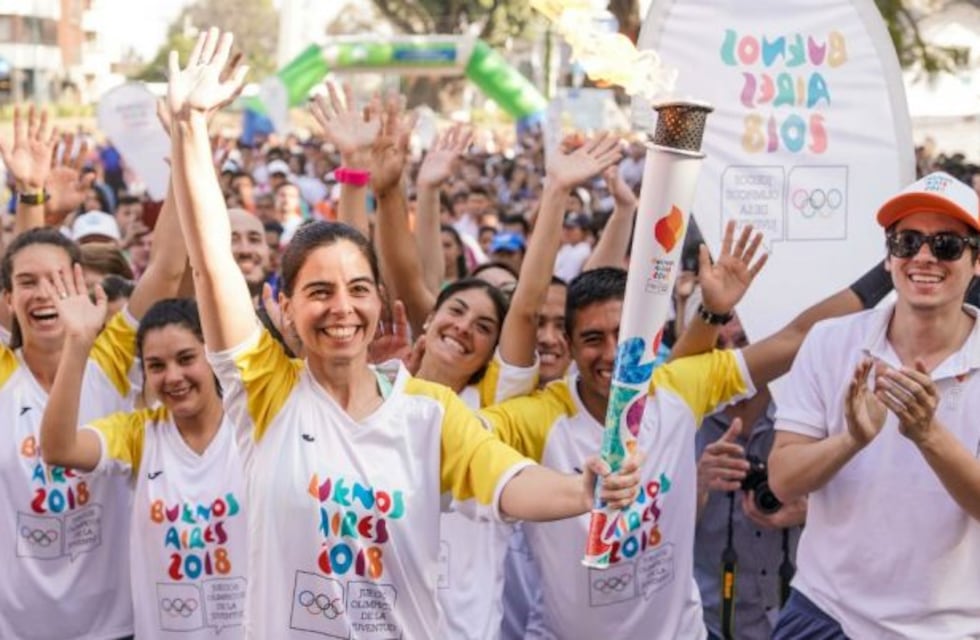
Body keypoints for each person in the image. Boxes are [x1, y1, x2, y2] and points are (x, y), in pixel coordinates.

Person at [165, 29, 640, 638]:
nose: (342, 308)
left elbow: (509, 480)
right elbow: (211, 262)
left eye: (358, 289)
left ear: (377, 300)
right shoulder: (263, 391)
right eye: (319, 292)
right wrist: (191, 129)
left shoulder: (428, 412)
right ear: (285, 307)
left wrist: (583, 490)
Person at [0, 112, 189, 637]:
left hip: (114, 624)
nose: (43, 294)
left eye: (58, 281)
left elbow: (169, 266)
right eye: (26, 286)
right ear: (8, 300)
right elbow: (25, 259)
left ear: (83, 288)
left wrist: (182, 165)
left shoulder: (106, 357)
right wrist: (30, 195)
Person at [769, 171, 980, 638]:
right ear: (888, 258)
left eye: (946, 244)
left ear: (976, 261)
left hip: (949, 628)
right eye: (907, 242)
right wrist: (851, 441)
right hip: (827, 615)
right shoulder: (830, 341)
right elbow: (782, 480)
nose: (924, 257)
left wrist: (929, 436)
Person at [40, 295, 247, 639]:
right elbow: (58, 449)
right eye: (156, 366)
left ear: (210, 355)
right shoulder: (138, 434)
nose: (173, 377)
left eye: (186, 359)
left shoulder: (251, 428)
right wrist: (77, 344)